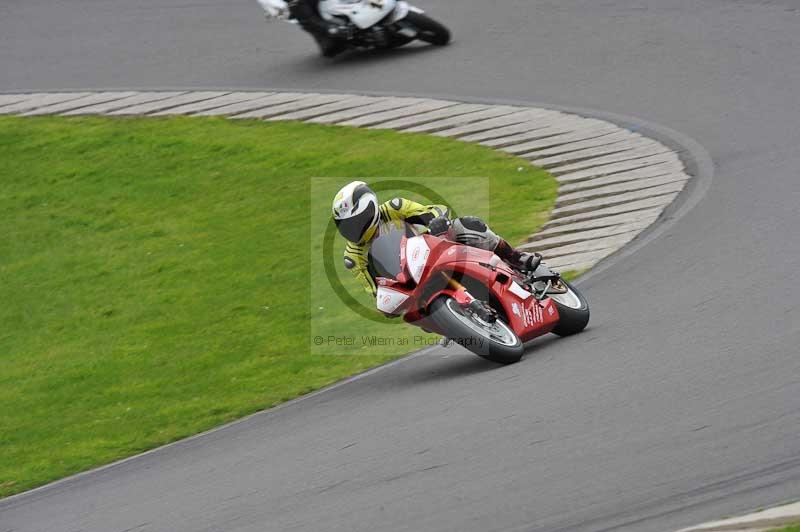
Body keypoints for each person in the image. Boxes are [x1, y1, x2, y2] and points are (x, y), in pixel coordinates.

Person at [332, 181, 540, 296]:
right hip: (411, 286)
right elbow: (375, 292)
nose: (353, 230)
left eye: (356, 222)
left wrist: (436, 221)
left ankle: (515, 257)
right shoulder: (353, 258)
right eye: (347, 226)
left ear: (370, 209)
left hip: (433, 252)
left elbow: (433, 211)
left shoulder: (395, 208)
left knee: (464, 225)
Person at [287, 0, 356, 57]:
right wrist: (329, 28)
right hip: (313, 15)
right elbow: (309, 20)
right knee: (331, 47)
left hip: (330, 7)